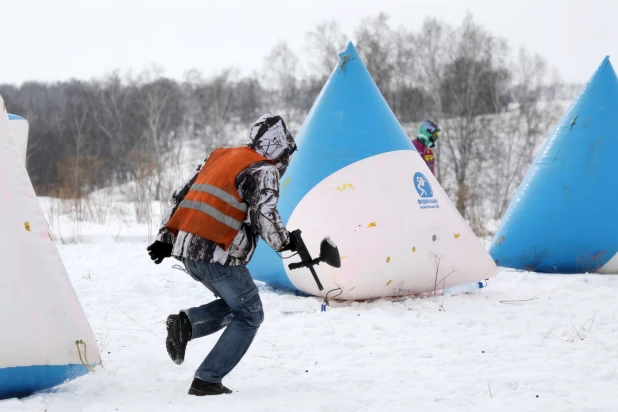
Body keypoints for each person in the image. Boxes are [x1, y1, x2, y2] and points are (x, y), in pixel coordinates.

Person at [146, 114, 297, 396]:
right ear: (279, 147)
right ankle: (207, 379)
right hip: (218, 253)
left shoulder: (220, 155)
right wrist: (286, 243)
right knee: (251, 314)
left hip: (189, 252)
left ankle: (186, 324)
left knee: (237, 304)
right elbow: (264, 214)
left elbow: (181, 194)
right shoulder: (263, 169)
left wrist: (166, 238)